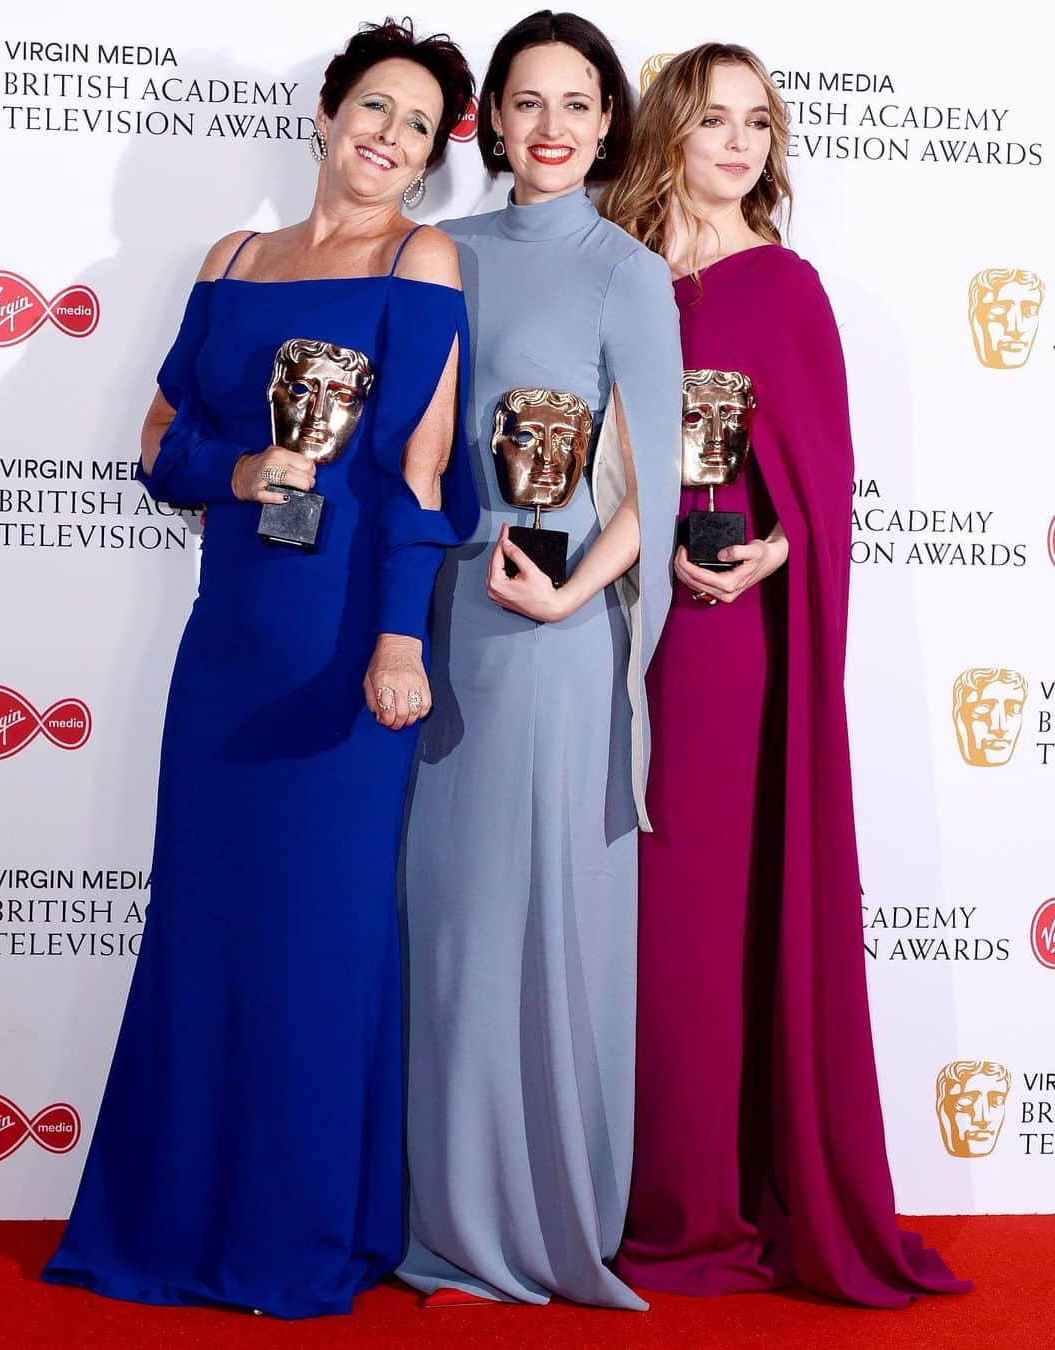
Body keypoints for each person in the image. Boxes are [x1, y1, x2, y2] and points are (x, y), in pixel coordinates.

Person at [42, 20, 477, 1318]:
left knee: (320, 942)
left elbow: (420, 471)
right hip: (226, 644)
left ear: (433, 152)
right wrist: (236, 472)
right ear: (328, 113)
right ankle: (170, 1220)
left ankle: (298, 1231)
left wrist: (400, 638)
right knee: (205, 929)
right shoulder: (232, 260)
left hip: (346, 652)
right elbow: (165, 435)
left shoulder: (423, 259)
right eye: (372, 107)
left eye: (415, 123)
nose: (386, 135)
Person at [600, 43, 969, 1306]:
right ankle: (609, 1182)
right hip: (602, 623)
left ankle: (706, 1200)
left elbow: (819, 480)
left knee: (702, 914)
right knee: (628, 919)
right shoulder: (622, 271)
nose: (742, 143)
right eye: (715, 121)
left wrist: (774, 552)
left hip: (725, 641)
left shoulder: (784, 284)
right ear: (670, 133)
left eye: (760, 122)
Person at [397, 9, 681, 1311]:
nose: (552, 127)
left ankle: (558, 1215)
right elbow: (413, 439)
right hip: (452, 625)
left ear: (607, 121)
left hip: (562, 644)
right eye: (527, 102)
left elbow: (661, 481)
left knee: (555, 924)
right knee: (455, 927)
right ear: (491, 121)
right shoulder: (439, 254)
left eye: (576, 103)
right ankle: (448, 1216)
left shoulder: (627, 270)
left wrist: (573, 594)